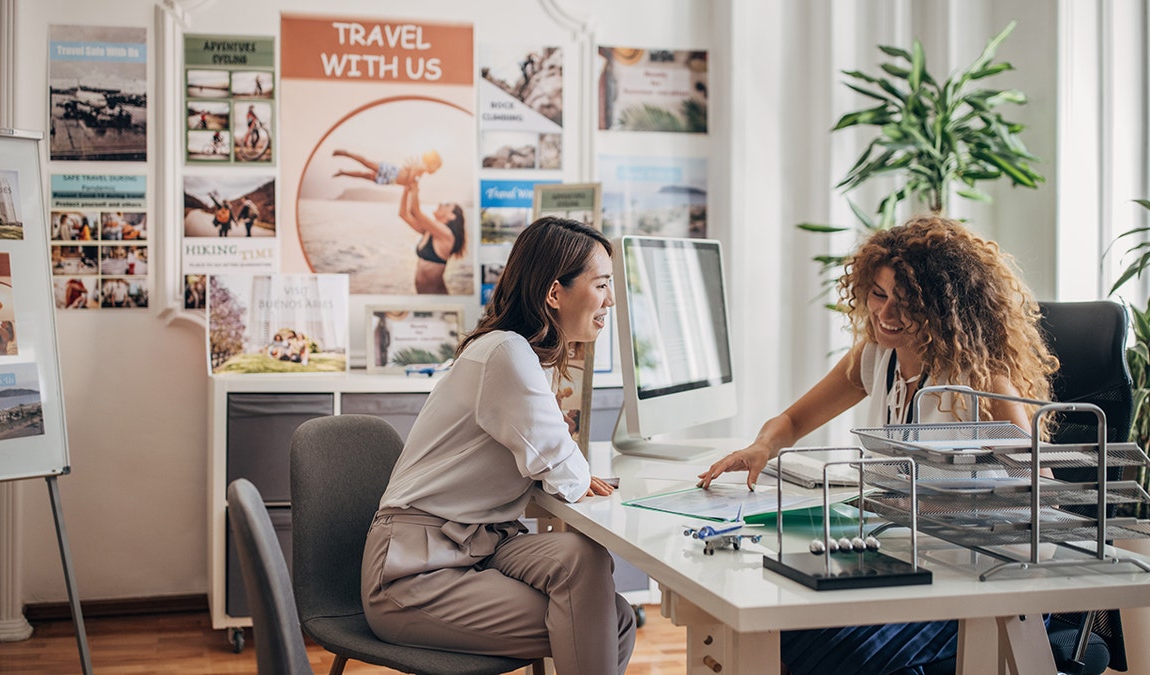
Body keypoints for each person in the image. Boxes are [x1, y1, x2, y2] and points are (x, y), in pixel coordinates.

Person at [697, 214, 1059, 675]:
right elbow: (791, 420)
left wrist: (939, 512)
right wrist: (763, 446)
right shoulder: (876, 356)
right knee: (781, 623)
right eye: (878, 295)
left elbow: (1046, 507)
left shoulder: (982, 383)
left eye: (905, 303)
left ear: (943, 309)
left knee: (836, 653)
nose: (885, 316)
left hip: (981, 581)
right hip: (906, 565)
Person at [362, 217, 635, 675]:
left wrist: (575, 468)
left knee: (587, 561)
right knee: (609, 620)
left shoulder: (524, 356)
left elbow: (558, 464)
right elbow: (566, 471)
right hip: (413, 571)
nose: (610, 299)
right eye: (602, 284)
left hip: (483, 543)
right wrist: (579, 470)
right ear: (555, 293)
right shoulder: (506, 353)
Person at [397, 178, 465, 294]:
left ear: (452, 216)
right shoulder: (429, 231)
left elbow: (415, 211)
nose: (440, 204)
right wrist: (406, 189)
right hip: (425, 299)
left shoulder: (446, 235)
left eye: (446, 204)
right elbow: (403, 214)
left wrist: (415, 187)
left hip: (438, 300)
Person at [332, 148, 442, 186]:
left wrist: (412, 180)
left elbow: (409, 178)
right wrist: (412, 181)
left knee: (364, 175)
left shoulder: (421, 172)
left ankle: (343, 172)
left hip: (391, 180)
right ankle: (346, 153)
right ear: (432, 163)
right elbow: (409, 180)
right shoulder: (421, 166)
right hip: (393, 172)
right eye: (436, 167)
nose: (435, 171)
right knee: (367, 163)